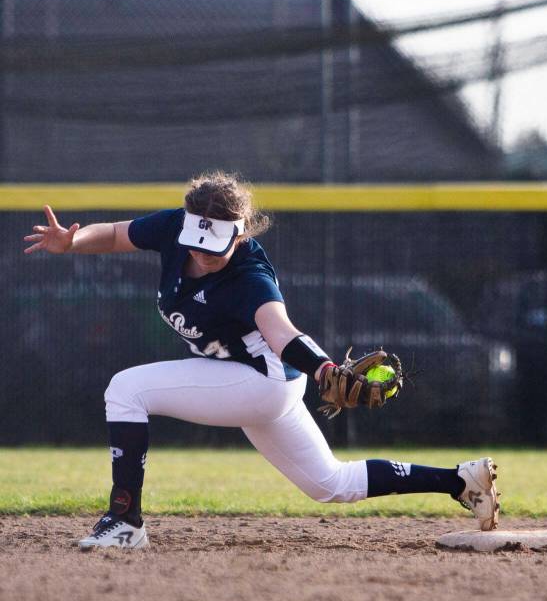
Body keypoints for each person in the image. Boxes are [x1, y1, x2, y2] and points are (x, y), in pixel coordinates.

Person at [23, 172, 499, 549]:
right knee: (330, 483)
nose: (204, 255)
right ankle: (459, 480)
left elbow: (283, 332)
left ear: (243, 232)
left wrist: (325, 370)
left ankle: (124, 521)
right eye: (196, 243)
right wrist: (72, 242)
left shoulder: (251, 277)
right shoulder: (177, 227)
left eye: (217, 247)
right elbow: (115, 234)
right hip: (253, 381)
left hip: (260, 382)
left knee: (126, 389)